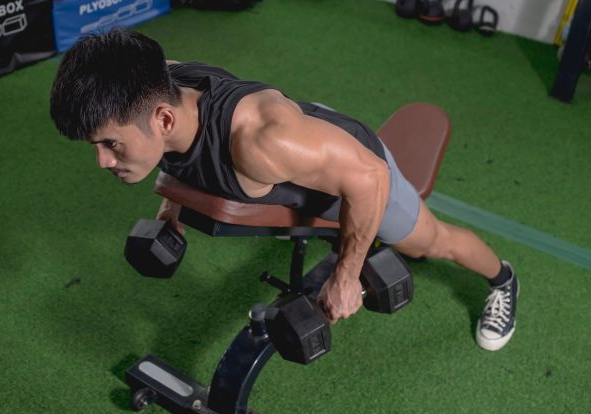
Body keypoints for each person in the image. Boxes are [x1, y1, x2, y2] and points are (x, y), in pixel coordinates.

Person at [49, 28, 519, 351]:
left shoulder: (259, 142)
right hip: (306, 144)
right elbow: (179, 154)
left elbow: (369, 177)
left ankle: (503, 279)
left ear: (163, 119)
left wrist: (346, 275)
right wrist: (172, 210)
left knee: (428, 242)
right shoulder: (156, 85)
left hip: (352, 165)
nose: (103, 161)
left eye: (111, 145)